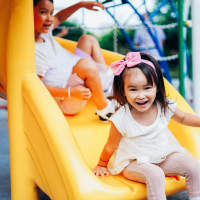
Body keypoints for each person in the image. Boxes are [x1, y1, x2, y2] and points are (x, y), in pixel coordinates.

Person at [93, 52, 200, 200]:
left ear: (157, 87)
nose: (141, 95)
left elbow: (183, 117)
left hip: (163, 157)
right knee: (155, 175)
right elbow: (110, 145)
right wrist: (102, 165)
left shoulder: (163, 106)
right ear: (123, 91)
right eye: (133, 89)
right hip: (133, 163)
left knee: (193, 166)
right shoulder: (122, 118)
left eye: (147, 88)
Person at [34, 0, 114, 118]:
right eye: (43, 12)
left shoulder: (44, 33)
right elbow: (37, 87)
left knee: (87, 39)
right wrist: (71, 92)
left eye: (51, 13)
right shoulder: (34, 50)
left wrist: (80, 4)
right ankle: (105, 109)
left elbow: (59, 17)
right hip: (68, 97)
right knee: (86, 65)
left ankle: (105, 83)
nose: (50, 18)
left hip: (75, 72)